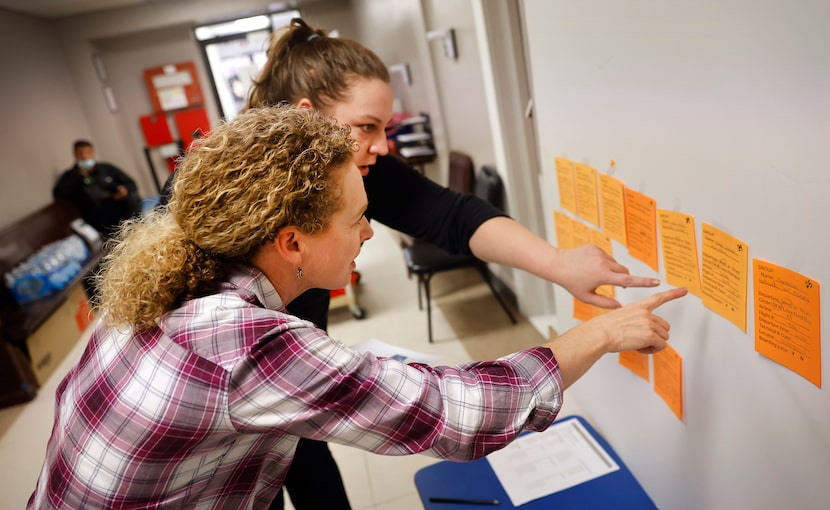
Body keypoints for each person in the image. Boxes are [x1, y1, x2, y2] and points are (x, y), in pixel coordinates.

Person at [28, 104, 687, 509]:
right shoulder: (240, 341)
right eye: (358, 219)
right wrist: (600, 336)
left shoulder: (169, 277)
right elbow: (460, 416)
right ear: (292, 242)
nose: (370, 234)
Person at [243, 18, 666, 510]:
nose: (382, 147)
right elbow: (448, 412)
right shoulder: (247, 334)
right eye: (367, 127)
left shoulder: (349, 162)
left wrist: (559, 264)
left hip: (289, 378)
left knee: (311, 468)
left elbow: (451, 215)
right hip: (236, 421)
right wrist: (602, 335)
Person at [53, 139, 143, 239]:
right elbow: (58, 193)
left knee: (132, 199)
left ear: (93, 153)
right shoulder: (70, 176)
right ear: (75, 155)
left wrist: (124, 191)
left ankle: (137, 231)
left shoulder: (106, 168)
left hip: (118, 207)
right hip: (96, 217)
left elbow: (131, 183)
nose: (84, 156)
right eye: (81, 153)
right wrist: (79, 178)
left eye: (87, 152)